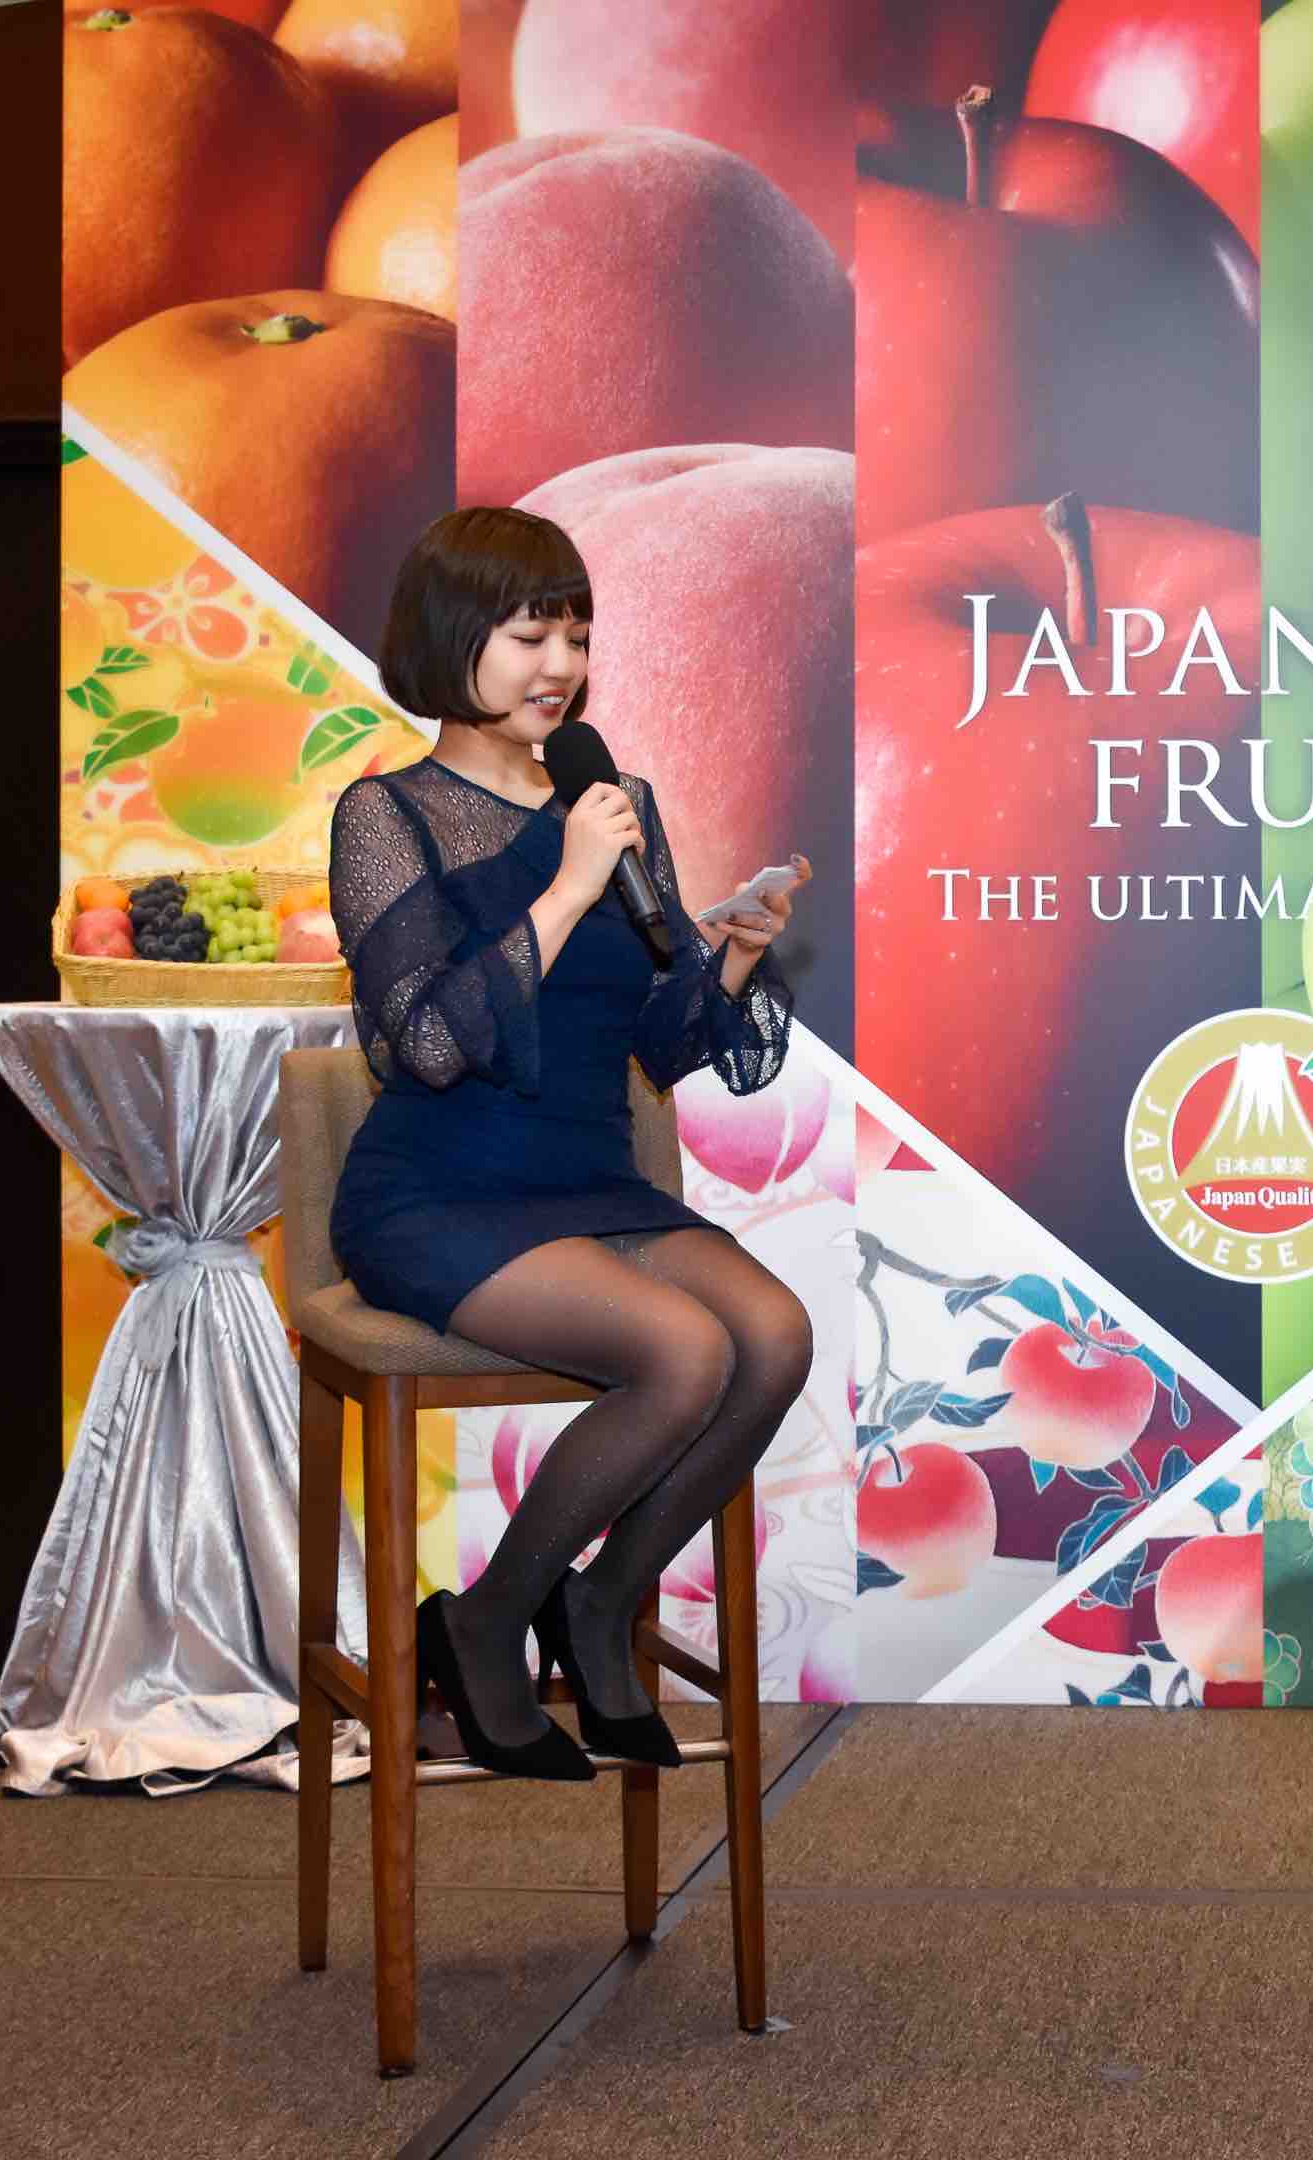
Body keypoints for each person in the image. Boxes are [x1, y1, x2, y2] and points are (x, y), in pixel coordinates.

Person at [328, 506, 814, 1782]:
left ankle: (597, 1603)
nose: (561, 666)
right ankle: (487, 1620)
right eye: (530, 635)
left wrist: (729, 960)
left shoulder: (614, 799)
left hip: (590, 1180)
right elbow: (428, 1044)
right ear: (452, 638)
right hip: (440, 1192)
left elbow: (660, 1039)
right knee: (682, 1351)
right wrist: (566, 887)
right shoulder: (387, 816)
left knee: (774, 1338)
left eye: (578, 637)